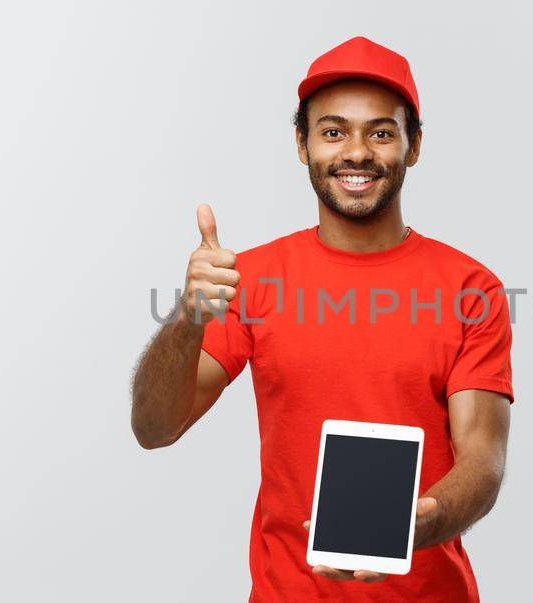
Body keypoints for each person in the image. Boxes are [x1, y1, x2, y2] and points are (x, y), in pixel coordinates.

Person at [130, 36, 513, 602]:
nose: (356, 151)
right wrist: (187, 316)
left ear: (413, 147)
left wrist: (421, 523)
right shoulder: (251, 280)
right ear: (302, 144)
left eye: (381, 132)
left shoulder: (470, 289)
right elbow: (155, 428)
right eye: (333, 131)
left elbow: (482, 456)